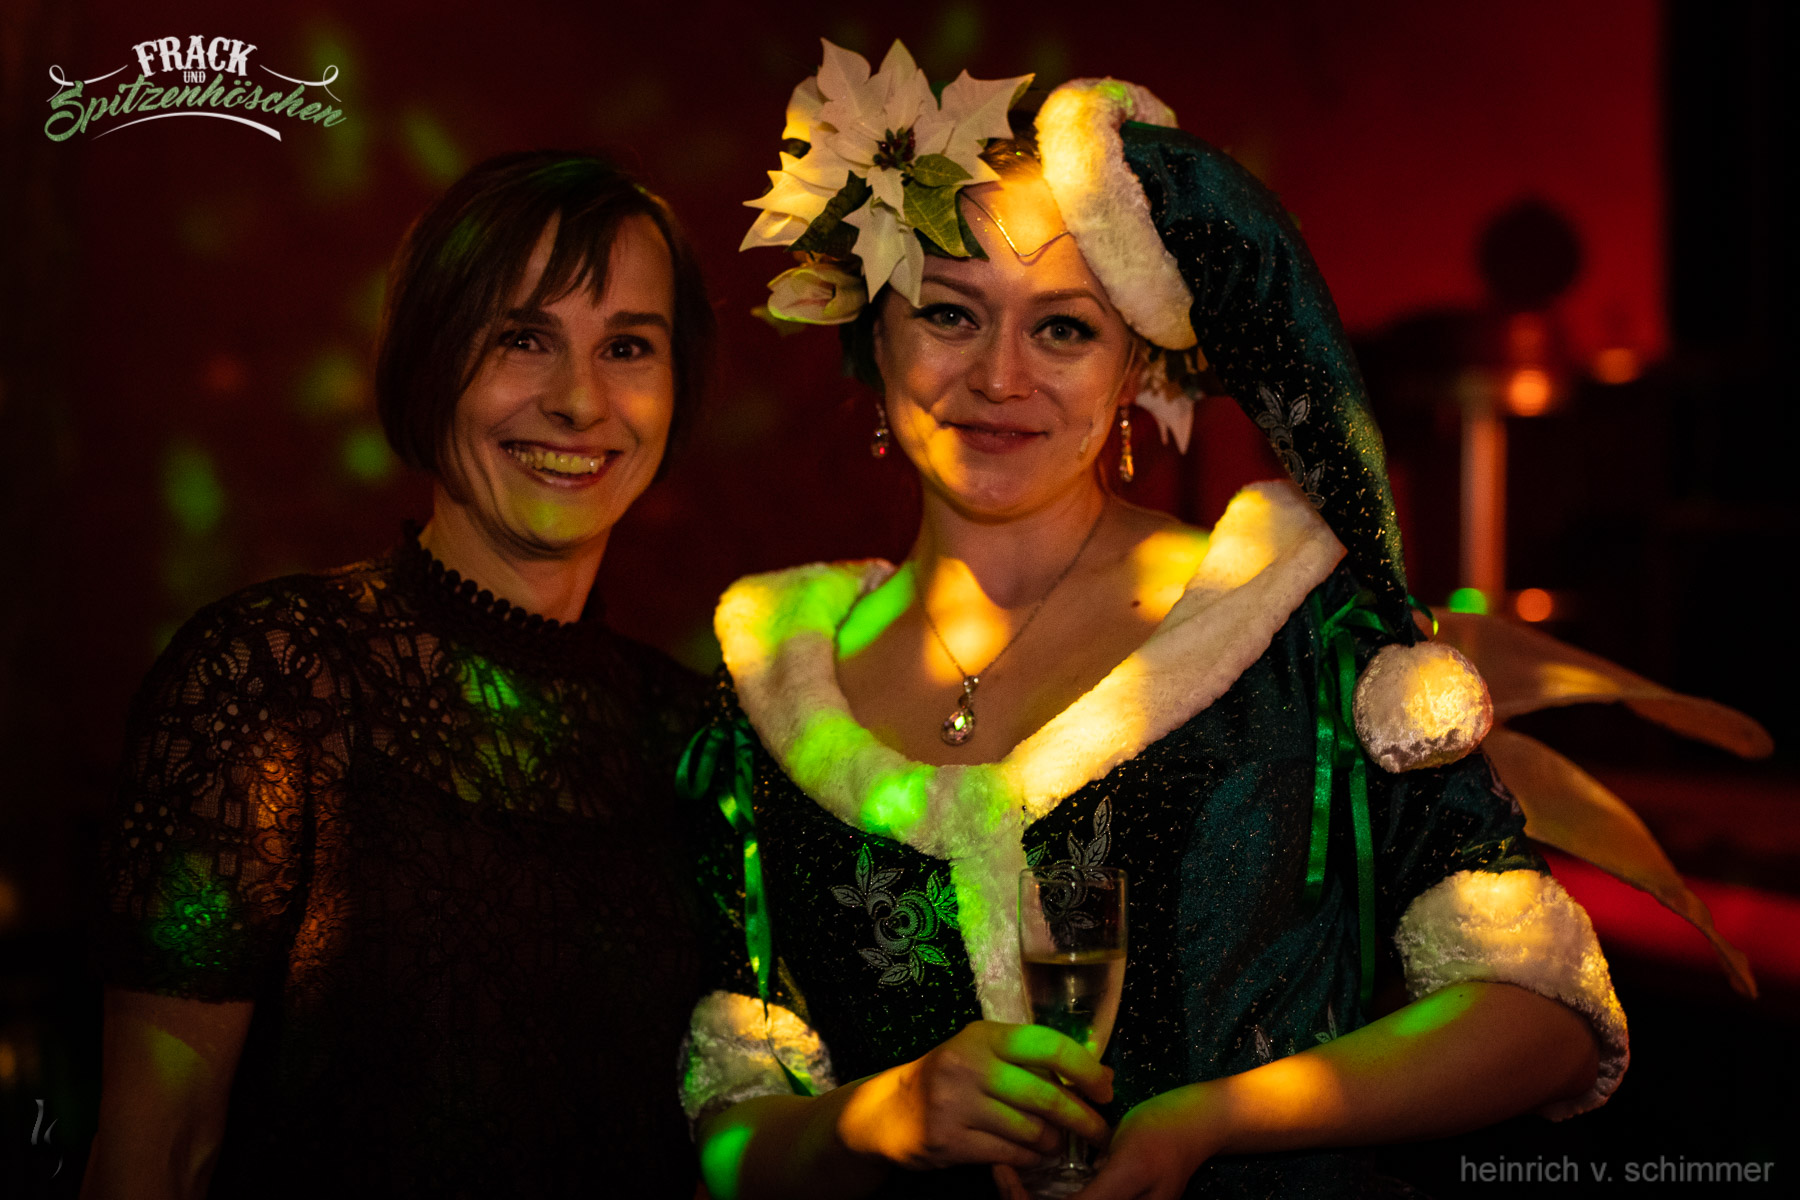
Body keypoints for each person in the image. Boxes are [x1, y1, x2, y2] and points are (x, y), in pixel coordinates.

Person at [678, 41, 1628, 1200]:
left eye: (1064, 329)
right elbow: (728, 1131)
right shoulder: (774, 687)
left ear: (1136, 365)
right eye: (949, 312)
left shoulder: (1288, 625)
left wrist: (1215, 1119)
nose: (1001, 377)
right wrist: (874, 1118)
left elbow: (1546, 1016)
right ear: (873, 342)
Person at [84, 150, 715, 1198]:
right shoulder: (271, 679)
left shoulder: (691, 734)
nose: (579, 400)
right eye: (522, 338)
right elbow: (159, 1151)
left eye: (628, 347)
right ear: (428, 360)